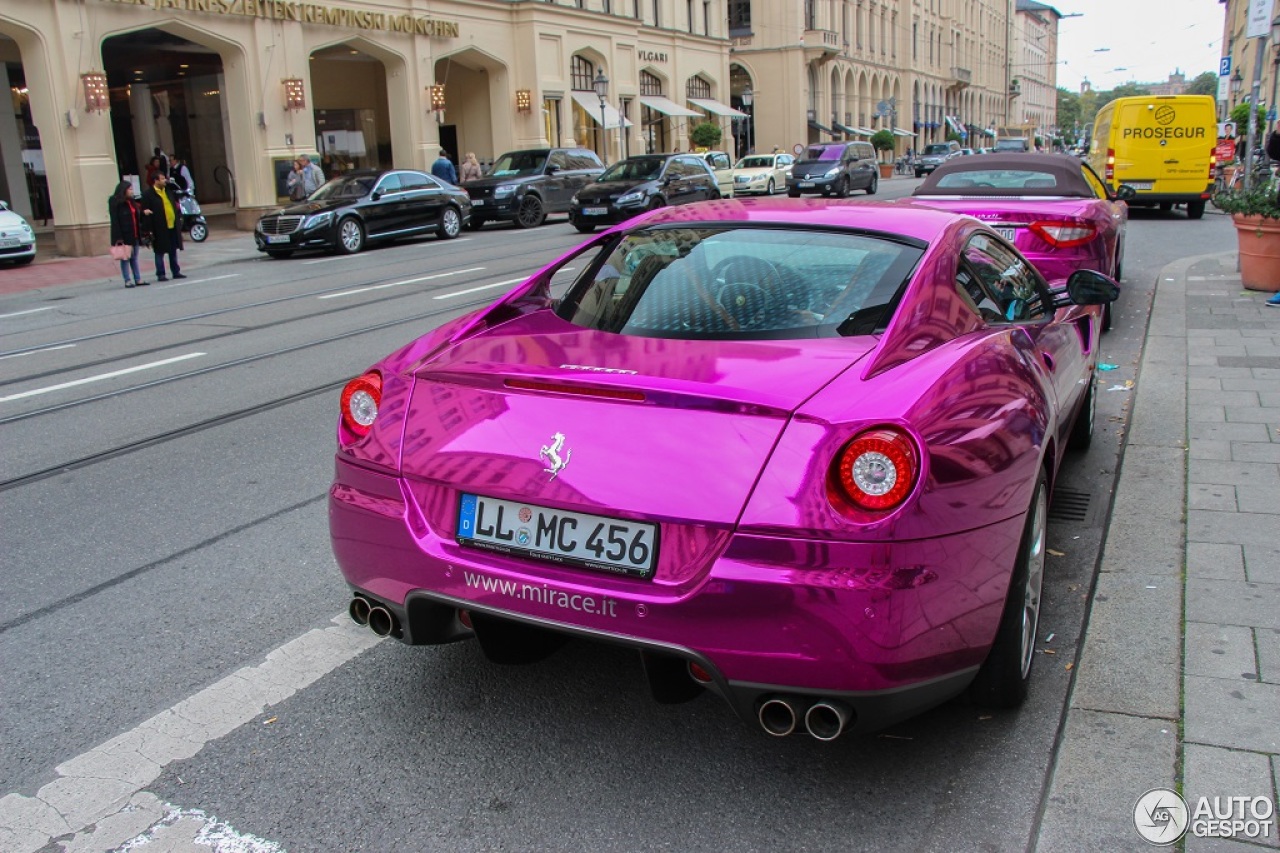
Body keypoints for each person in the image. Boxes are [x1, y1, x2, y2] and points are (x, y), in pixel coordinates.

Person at [140, 171, 185, 281]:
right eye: (162, 179)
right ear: (156, 181)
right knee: (160, 251)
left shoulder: (168, 191)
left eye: (164, 178)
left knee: (173, 250)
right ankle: (161, 273)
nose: (165, 180)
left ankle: (176, 271)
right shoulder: (148, 194)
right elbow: (145, 212)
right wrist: (148, 229)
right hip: (159, 227)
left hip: (172, 225)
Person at [108, 180, 147, 288]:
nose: (131, 191)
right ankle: (127, 280)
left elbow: (136, 216)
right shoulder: (115, 201)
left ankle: (138, 278)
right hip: (124, 235)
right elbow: (115, 220)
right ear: (123, 190)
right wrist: (118, 237)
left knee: (134, 258)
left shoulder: (131, 201)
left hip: (134, 233)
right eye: (129, 189)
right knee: (125, 258)